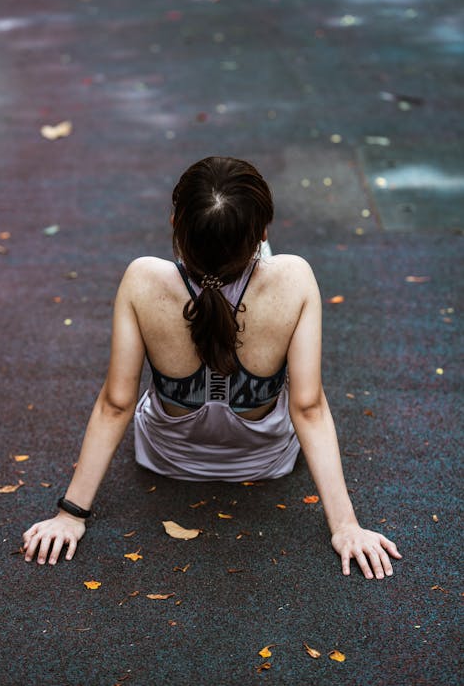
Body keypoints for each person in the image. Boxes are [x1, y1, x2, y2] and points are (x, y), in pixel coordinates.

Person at [22, 156, 402, 578]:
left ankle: (220, 260)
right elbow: (308, 408)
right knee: (272, 275)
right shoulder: (296, 279)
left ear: (174, 225)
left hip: (168, 457)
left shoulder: (141, 281)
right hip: (264, 461)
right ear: (262, 232)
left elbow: (116, 404)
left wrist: (71, 514)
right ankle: (241, 265)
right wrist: (346, 527)